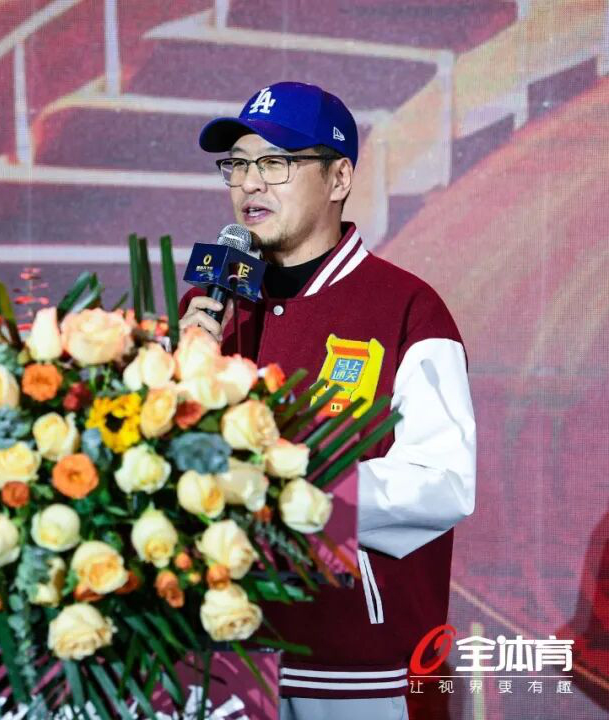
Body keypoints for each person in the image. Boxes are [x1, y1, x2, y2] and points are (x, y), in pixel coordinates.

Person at [180, 81, 477, 720]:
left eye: (275, 163)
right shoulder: (209, 310)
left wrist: (293, 490)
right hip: (222, 668)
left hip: (359, 677)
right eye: (237, 164)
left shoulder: (406, 308)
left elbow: (445, 482)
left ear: (339, 177)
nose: (249, 183)